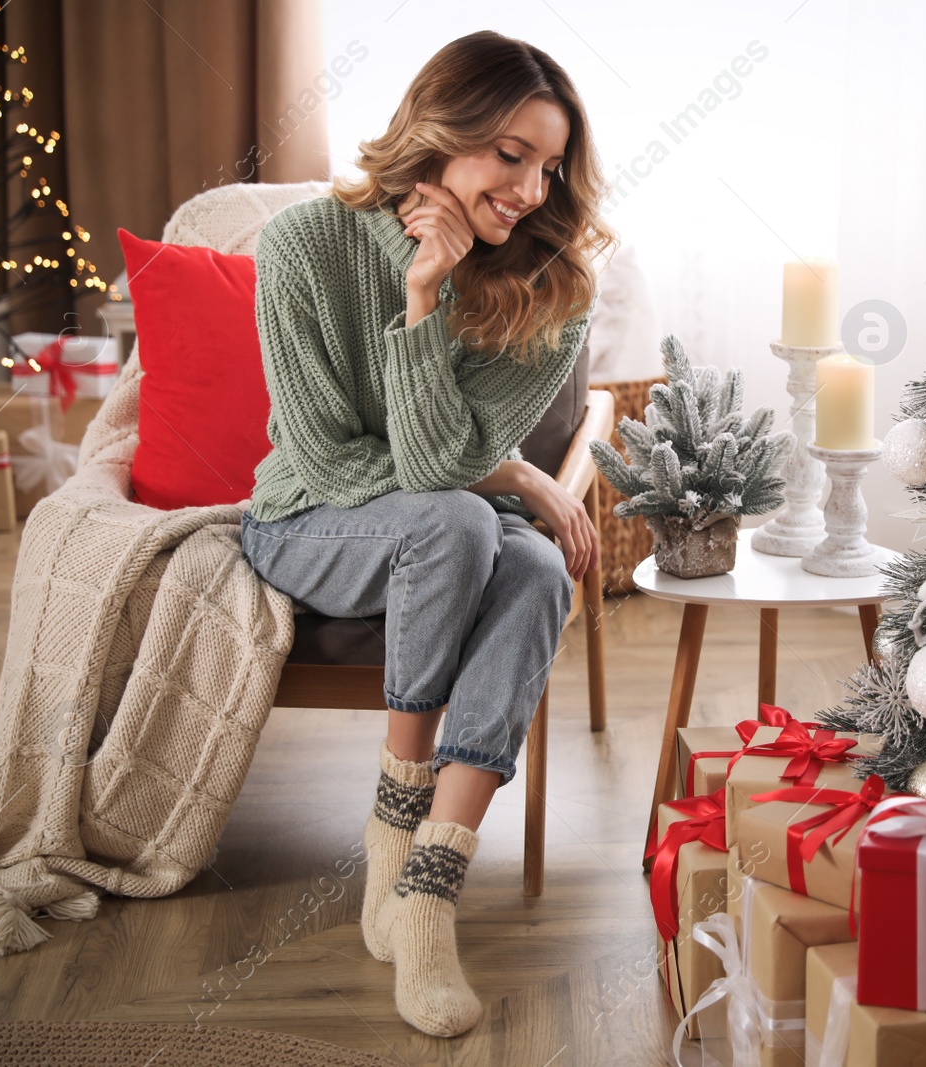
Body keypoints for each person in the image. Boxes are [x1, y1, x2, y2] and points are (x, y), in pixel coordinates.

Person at [237, 30, 614, 1037]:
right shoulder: (303, 246)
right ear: (441, 130)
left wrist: (435, 322)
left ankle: (429, 885)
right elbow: (326, 457)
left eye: (549, 165)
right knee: (457, 521)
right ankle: (392, 819)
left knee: (537, 571)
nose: (533, 189)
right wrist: (419, 297)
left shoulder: (555, 291)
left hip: (455, 519)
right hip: (309, 523)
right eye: (510, 154)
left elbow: (446, 464)